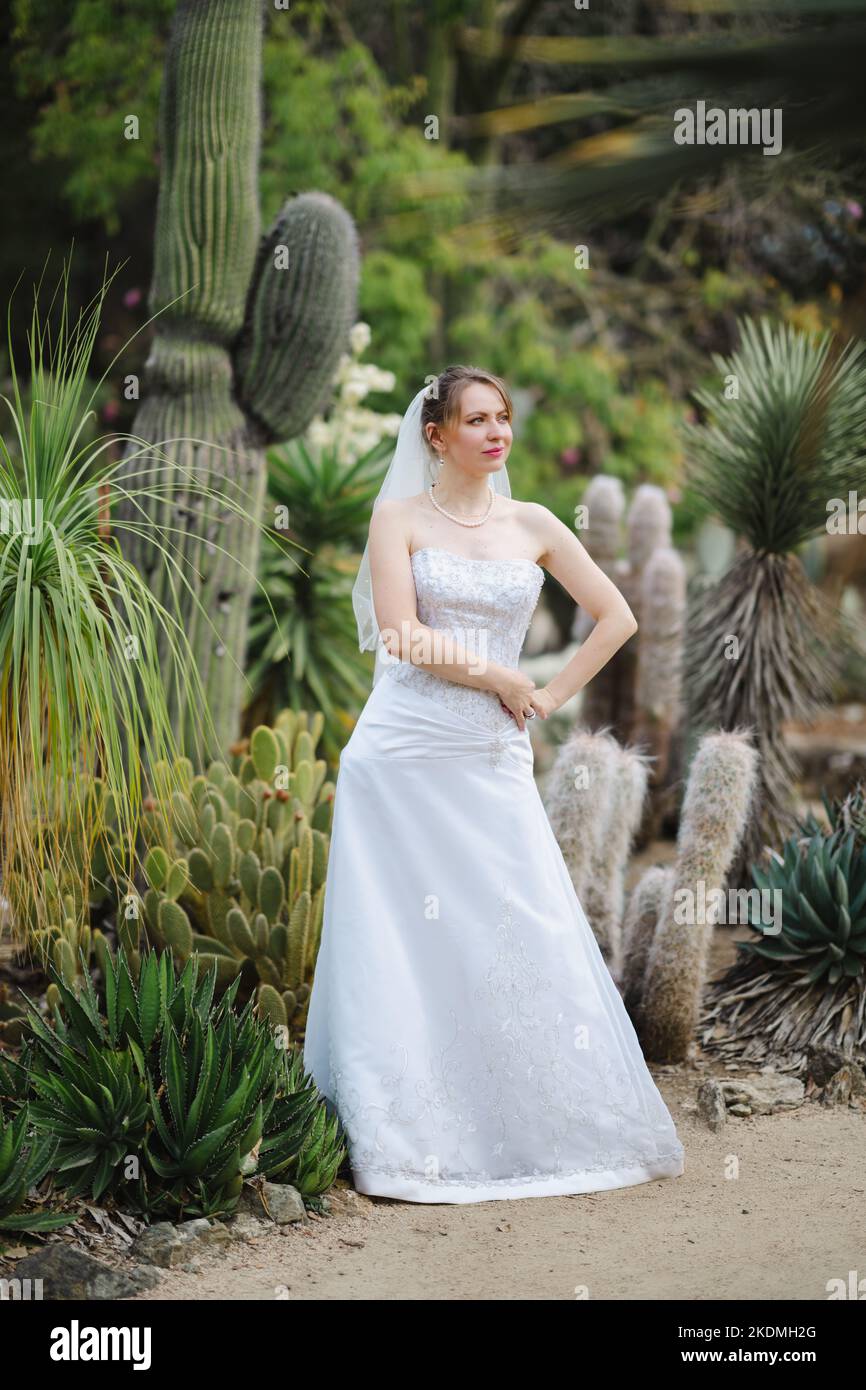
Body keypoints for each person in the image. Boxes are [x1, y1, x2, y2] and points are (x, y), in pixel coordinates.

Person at [302, 365, 685, 1204]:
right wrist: (503, 680)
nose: (495, 433)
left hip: (488, 757)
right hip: (399, 757)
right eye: (476, 420)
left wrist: (546, 692)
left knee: (521, 921)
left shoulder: (536, 523)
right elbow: (401, 635)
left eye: (503, 418)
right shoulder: (395, 518)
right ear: (435, 436)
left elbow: (618, 615)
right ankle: (402, 1138)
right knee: (401, 939)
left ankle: (537, 1123)